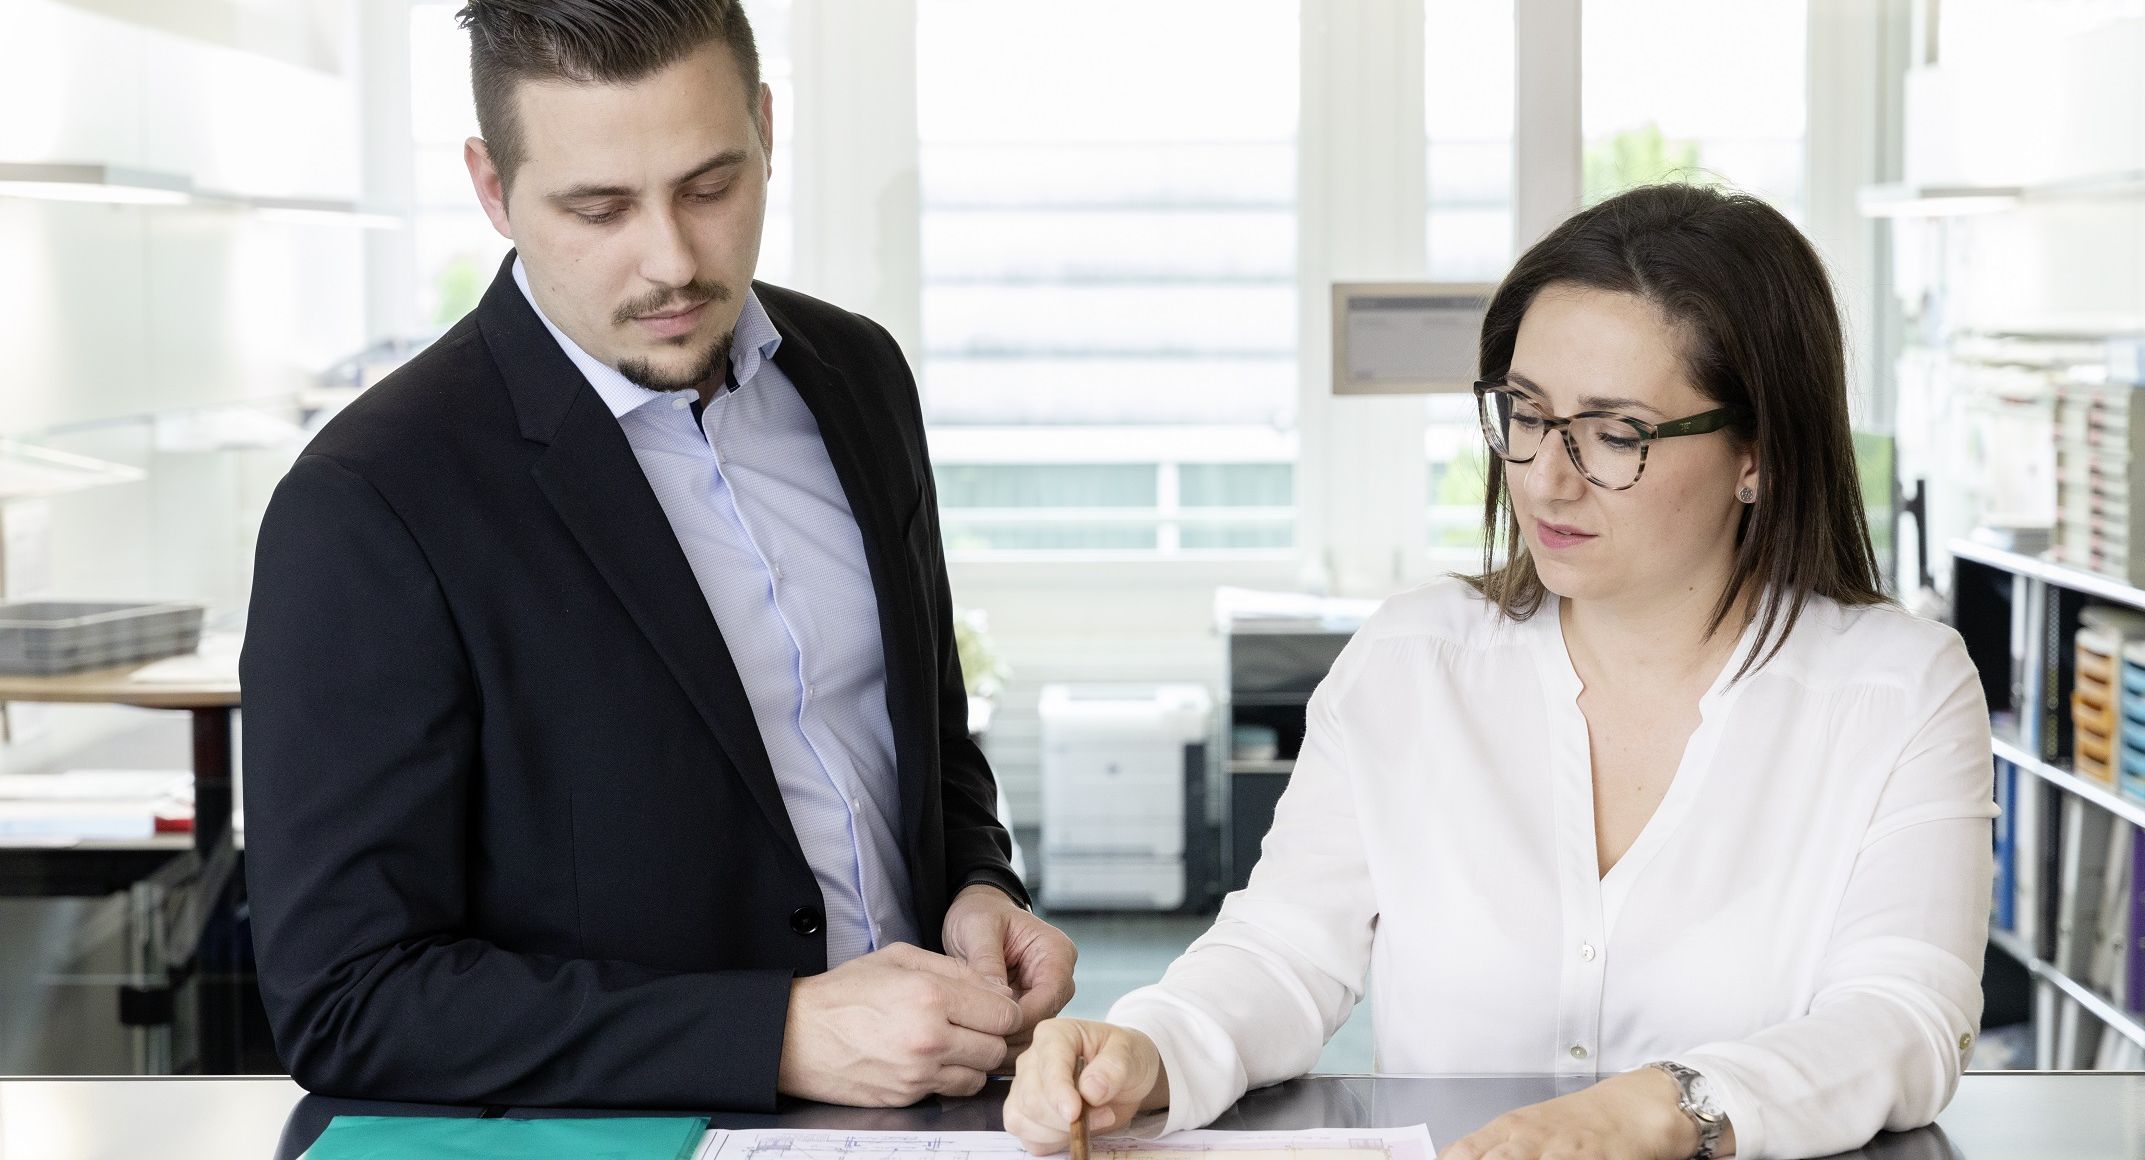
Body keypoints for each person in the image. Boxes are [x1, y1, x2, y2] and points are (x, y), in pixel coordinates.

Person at [1004, 183, 1996, 1160]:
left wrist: (1665, 1106)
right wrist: (1148, 1043)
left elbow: (1903, 1015)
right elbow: (1282, 950)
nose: (1544, 475)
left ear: (1758, 455)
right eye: (1523, 413)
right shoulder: (1410, 661)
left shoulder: (1897, 688)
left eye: (1615, 434)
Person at [242, 0, 1074, 1112]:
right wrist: (773, 1034)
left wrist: (976, 880)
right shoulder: (370, 498)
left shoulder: (859, 376)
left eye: (709, 186)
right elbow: (347, 997)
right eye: (599, 208)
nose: (672, 260)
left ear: (766, 129)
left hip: (934, 1116)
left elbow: (914, 735)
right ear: (493, 188)